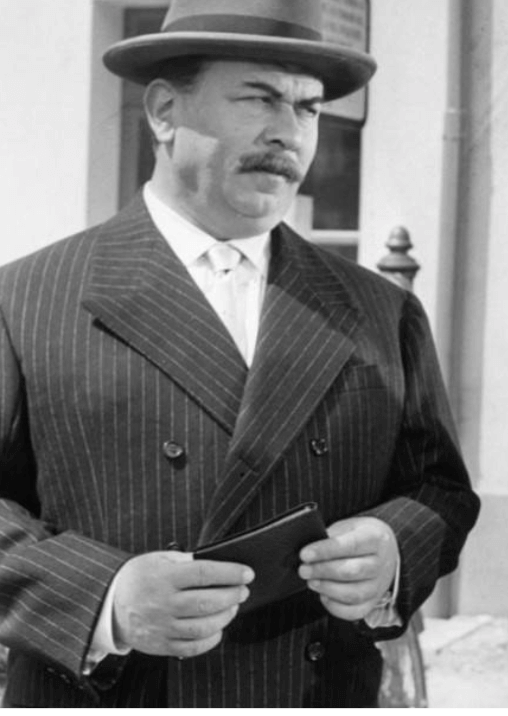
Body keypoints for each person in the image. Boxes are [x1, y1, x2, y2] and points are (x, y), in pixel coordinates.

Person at [0, 0, 479, 707]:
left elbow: (440, 489)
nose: (288, 132)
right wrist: (105, 598)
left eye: (307, 108)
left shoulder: (381, 310)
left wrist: (394, 547)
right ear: (165, 111)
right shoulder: (27, 299)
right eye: (259, 98)